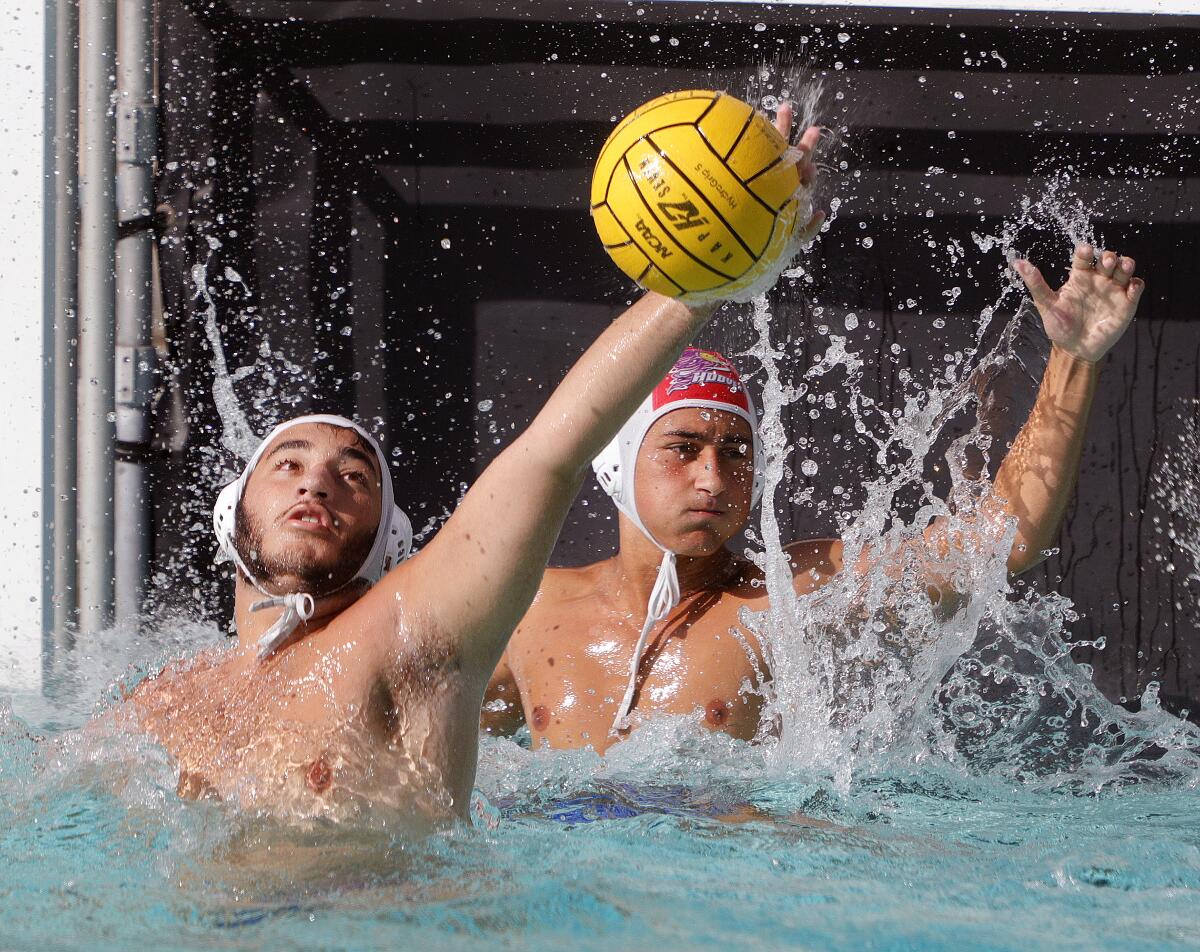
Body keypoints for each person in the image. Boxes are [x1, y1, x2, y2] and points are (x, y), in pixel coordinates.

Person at [121, 106, 824, 825]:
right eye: (288, 464)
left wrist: (701, 285)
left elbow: (553, 450)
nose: (317, 481)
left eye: (355, 475)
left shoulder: (407, 634)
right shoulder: (167, 701)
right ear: (230, 515)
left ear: (390, 544)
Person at [482, 244, 1145, 753]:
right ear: (616, 463)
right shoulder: (528, 609)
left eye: (737, 453)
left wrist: (1074, 360)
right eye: (682, 449)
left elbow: (1003, 541)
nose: (713, 478)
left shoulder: (793, 590)